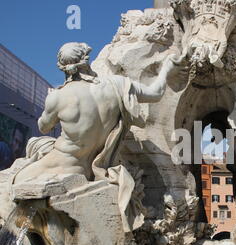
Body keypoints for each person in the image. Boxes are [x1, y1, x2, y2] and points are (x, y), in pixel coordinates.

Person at [13, 42, 186, 232]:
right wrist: (168, 68)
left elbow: (43, 127)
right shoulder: (117, 85)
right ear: (86, 60)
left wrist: (51, 99)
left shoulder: (58, 96)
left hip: (61, 164)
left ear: (63, 67)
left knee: (9, 186)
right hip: (90, 169)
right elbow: (155, 93)